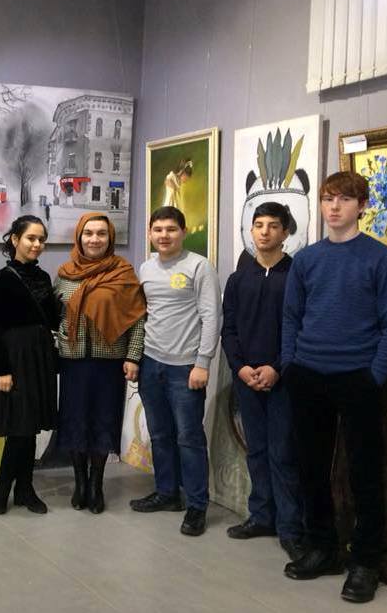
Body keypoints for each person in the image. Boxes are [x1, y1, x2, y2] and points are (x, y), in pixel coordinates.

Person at [281, 171, 387, 604]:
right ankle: (322, 548)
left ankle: (366, 561)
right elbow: (291, 317)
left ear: (362, 206)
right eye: (327, 198)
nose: (333, 207)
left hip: (357, 377)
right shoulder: (306, 259)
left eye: (344, 199)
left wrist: (373, 376)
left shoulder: (381, 259)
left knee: (364, 473)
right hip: (307, 375)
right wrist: (290, 364)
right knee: (311, 469)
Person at [130, 206, 221, 537]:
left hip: (185, 367)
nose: (164, 235)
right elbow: (143, 315)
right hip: (151, 362)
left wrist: (202, 362)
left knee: (189, 438)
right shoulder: (146, 267)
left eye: (170, 229)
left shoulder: (199, 266)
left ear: (183, 232)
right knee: (159, 434)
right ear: (150, 233)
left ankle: (197, 505)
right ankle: (167, 492)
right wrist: (135, 357)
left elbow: (211, 317)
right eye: (158, 230)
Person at [221, 202, 305, 560]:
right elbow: (229, 329)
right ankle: (262, 516)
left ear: (285, 232)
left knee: (283, 452)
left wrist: (276, 368)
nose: (265, 231)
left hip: (284, 379)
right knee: (255, 449)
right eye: (259, 225)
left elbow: (300, 329)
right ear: (251, 230)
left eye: (273, 225)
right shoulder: (239, 279)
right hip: (246, 378)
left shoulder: (297, 275)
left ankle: (290, 527)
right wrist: (240, 368)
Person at [55, 212, 146, 514]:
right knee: (75, 421)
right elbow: (54, 315)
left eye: (101, 234)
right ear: (79, 237)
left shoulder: (123, 273)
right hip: (73, 362)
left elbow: (137, 318)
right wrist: (59, 341)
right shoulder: (65, 274)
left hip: (109, 363)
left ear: (110, 238)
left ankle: (96, 483)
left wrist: (133, 355)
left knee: (103, 421)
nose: (94, 239)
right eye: (89, 233)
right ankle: (79, 482)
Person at [0, 215, 59, 515]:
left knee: (31, 427)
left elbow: (51, 319)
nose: (37, 244)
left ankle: (25, 489)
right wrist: (2, 369)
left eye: (41, 239)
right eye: (31, 238)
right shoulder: (1, 279)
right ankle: (2, 489)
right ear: (15, 239)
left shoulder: (43, 278)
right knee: (19, 428)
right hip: (15, 358)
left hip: (40, 356)